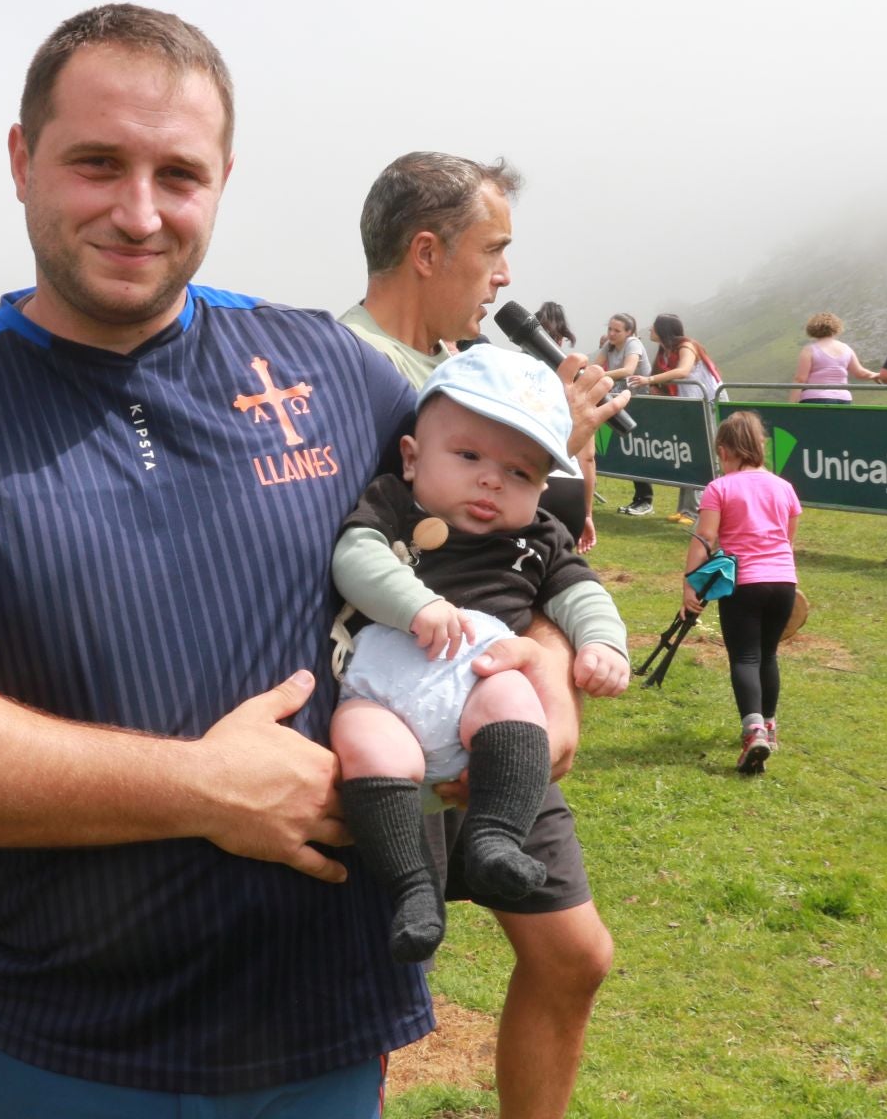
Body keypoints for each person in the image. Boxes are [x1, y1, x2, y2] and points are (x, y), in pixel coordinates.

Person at [0, 6, 617, 1115]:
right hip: (68, 1051)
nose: (139, 212)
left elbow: (519, 529)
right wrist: (199, 788)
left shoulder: (333, 369)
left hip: (330, 1036)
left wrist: (550, 662)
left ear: (224, 179)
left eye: (179, 173)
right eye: (96, 162)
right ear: (22, 160)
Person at [341, 149, 624, 1119]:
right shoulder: (346, 375)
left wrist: (549, 657)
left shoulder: (472, 371)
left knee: (576, 951)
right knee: (370, 987)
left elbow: (532, 545)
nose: (507, 277)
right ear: (428, 249)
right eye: (492, 250)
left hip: (496, 690)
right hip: (389, 699)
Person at [331, 346, 628, 964]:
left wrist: (602, 644)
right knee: (359, 738)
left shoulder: (539, 536)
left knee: (514, 694)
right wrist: (413, 603)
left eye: (520, 473)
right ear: (412, 458)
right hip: (385, 695)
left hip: (480, 691)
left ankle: (496, 835)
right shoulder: (392, 504)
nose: (492, 480)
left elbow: (582, 595)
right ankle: (413, 888)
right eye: (468, 456)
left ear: (544, 485)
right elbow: (353, 557)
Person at [682, 411, 800, 775]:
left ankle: (753, 732)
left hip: (743, 582)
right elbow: (788, 537)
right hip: (784, 582)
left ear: (724, 450)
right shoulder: (784, 487)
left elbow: (706, 538)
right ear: (760, 446)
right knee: (768, 655)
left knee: (744, 657)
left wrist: (690, 582)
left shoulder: (720, 487)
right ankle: (769, 724)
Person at [626, 314, 720, 525]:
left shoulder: (687, 346)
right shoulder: (663, 353)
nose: (650, 329)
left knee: (703, 455)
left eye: (654, 326)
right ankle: (685, 510)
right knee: (690, 455)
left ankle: (698, 511)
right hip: (687, 404)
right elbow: (658, 383)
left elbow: (684, 370)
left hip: (707, 402)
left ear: (663, 330)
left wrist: (649, 379)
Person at [534, 302, 598, 549]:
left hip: (531, 482)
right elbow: (588, 457)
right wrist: (587, 514)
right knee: (559, 568)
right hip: (569, 486)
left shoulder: (516, 375)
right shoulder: (578, 383)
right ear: (561, 340)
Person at [596, 314, 654, 517]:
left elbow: (628, 370)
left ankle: (645, 500)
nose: (611, 334)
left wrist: (597, 375)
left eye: (616, 330)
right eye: (609, 329)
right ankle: (639, 500)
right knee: (629, 449)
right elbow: (597, 364)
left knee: (638, 449)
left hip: (642, 403)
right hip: (622, 402)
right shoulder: (609, 345)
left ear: (629, 332)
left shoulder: (633, 344)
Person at [789, 312, 881, 403]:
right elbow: (859, 373)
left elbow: (800, 378)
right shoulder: (846, 349)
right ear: (836, 328)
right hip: (843, 398)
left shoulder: (809, 350)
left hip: (815, 397)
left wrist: (792, 404)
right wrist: (875, 375)